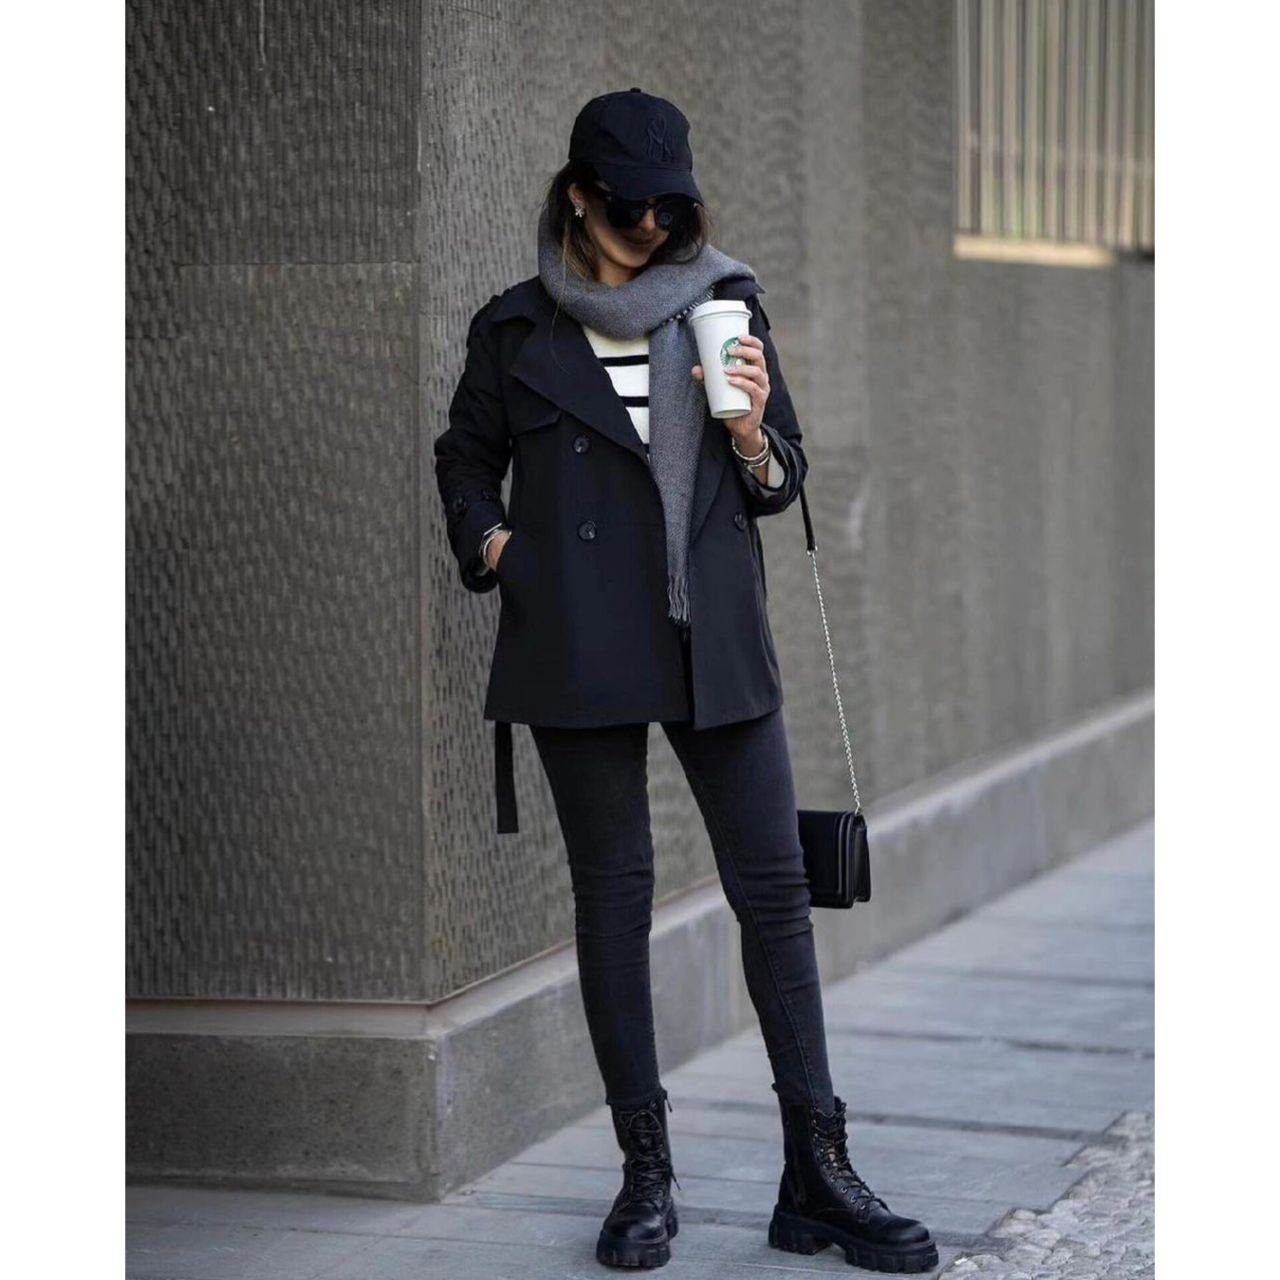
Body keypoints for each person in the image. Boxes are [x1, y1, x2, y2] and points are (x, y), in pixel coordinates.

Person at [433, 88, 938, 1274]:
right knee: (614, 897)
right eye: (631, 208)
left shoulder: (727, 301)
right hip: (577, 639)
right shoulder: (515, 329)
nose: (656, 226)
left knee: (774, 890)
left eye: (672, 206)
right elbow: (463, 456)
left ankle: (816, 1170)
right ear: (577, 197)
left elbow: (777, 481)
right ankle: (645, 1173)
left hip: (711, 634)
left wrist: (753, 430)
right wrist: (498, 547)